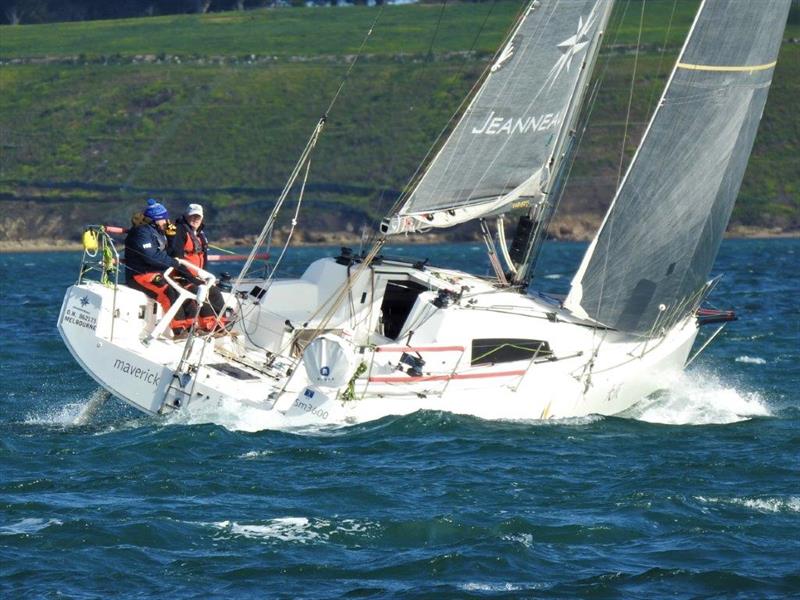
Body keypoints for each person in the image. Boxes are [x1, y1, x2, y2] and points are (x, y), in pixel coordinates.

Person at [124, 198, 193, 334]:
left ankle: (192, 327)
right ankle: (179, 330)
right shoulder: (141, 233)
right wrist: (174, 263)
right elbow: (151, 257)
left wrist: (171, 237)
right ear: (156, 219)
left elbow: (169, 253)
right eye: (164, 219)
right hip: (140, 275)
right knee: (168, 292)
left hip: (156, 273)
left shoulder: (158, 232)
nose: (167, 223)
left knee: (185, 289)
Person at [168, 203, 227, 332]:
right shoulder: (180, 231)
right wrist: (192, 278)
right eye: (192, 216)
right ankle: (208, 326)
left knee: (216, 293)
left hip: (197, 275)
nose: (195, 219)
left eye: (198, 217)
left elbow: (203, 257)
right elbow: (177, 258)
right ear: (186, 216)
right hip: (181, 276)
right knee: (202, 291)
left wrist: (204, 276)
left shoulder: (200, 234)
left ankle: (221, 325)